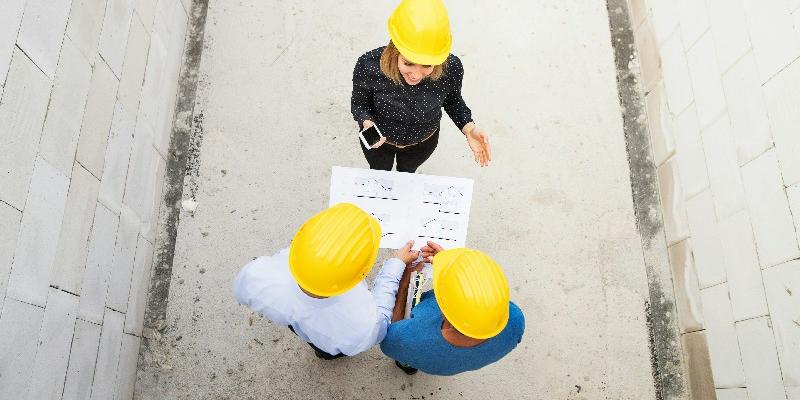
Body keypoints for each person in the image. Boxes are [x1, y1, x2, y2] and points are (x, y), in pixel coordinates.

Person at [232, 203, 419, 359]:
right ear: (360, 272)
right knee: (328, 351)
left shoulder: (255, 275)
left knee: (317, 345)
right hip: (333, 341)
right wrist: (395, 265)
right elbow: (381, 323)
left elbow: (242, 293)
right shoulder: (360, 324)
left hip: (298, 323)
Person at [351, 0, 492, 173]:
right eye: (408, 63)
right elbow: (359, 104)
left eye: (427, 65)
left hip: (422, 144)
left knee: (408, 172)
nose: (416, 75)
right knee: (379, 173)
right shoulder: (370, 65)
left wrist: (468, 127)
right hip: (380, 142)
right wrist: (367, 123)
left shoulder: (451, 67)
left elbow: (452, 100)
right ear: (395, 49)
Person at [380, 242, 525, 375]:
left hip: (414, 351)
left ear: (444, 313)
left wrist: (404, 283)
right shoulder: (515, 320)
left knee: (406, 356)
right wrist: (451, 268)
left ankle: (407, 364)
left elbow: (389, 337)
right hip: (449, 366)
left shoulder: (406, 339)